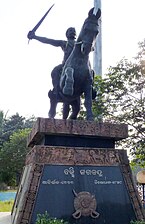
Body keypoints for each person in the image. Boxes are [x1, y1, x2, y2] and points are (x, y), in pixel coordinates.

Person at [27, 27, 76, 98]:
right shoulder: (63, 43)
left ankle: (91, 89)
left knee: (90, 72)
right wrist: (35, 37)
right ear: (67, 34)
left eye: (73, 31)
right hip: (65, 65)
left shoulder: (79, 43)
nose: (72, 32)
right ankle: (56, 90)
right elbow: (48, 40)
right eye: (70, 31)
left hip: (78, 64)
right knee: (55, 71)